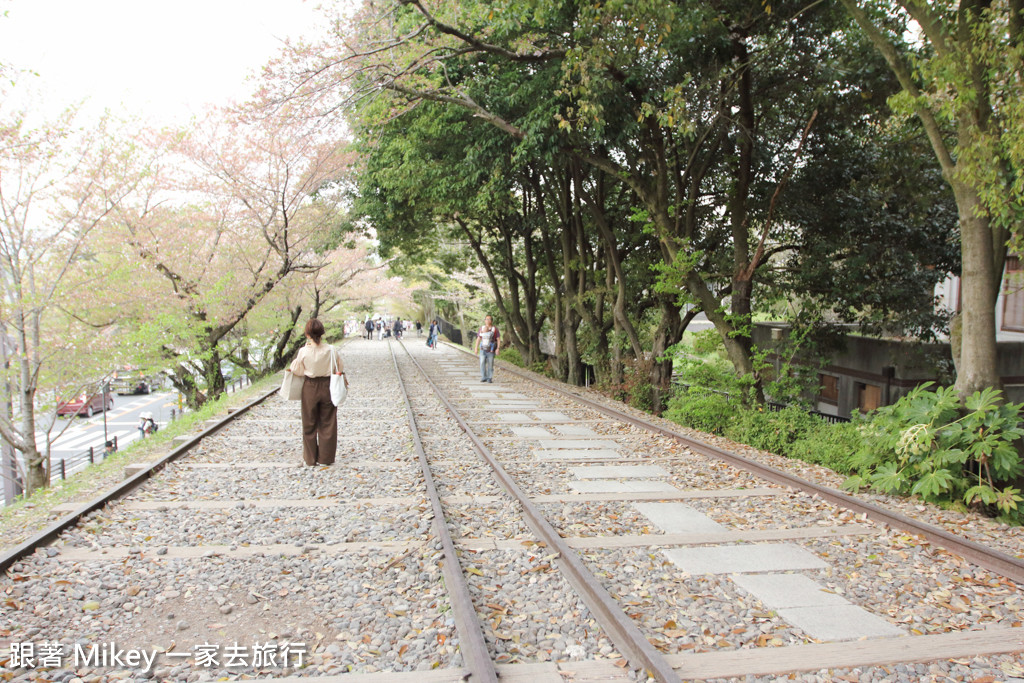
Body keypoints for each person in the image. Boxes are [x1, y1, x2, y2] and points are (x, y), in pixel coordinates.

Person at [288, 318, 348, 467]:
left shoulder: (304, 351)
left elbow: (296, 369)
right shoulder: (331, 350)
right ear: (322, 333)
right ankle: (325, 459)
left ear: (308, 334)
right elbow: (339, 367)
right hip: (328, 386)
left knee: (309, 423)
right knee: (328, 422)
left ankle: (310, 459)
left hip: (310, 387)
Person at [473, 315, 500, 383]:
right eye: (486, 319)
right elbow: (478, 338)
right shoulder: (482, 328)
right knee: (482, 363)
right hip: (482, 349)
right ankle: (483, 377)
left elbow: (498, 339)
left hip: (491, 350)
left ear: (491, 321)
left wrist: (498, 348)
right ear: (484, 320)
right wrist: (476, 348)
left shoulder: (494, 329)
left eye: (489, 319)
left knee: (490, 364)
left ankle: (489, 377)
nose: (487, 320)